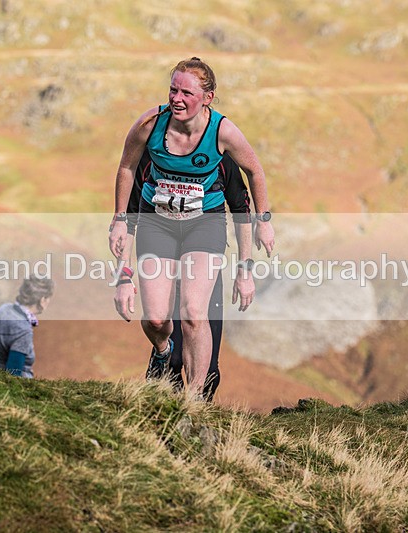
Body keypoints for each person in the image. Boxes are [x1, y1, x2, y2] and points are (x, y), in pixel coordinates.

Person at [109, 57, 274, 396]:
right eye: (173, 90)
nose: (177, 99)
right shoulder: (149, 124)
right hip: (159, 225)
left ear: (207, 98)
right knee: (155, 320)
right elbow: (126, 168)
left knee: (194, 313)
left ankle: (196, 398)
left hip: (205, 226)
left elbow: (255, 172)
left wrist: (264, 221)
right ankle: (162, 352)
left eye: (186, 92)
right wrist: (119, 220)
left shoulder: (223, 132)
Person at [120, 147, 253, 401]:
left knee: (210, 372)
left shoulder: (219, 154)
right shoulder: (152, 153)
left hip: (203, 266)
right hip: (165, 264)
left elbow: (241, 206)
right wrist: (124, 274)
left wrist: (245, 270)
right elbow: (130, 212)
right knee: (172, 361)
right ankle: (158, 418)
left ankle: (195, 418)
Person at [0, 275, 54, 378]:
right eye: (48, 299)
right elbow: (13, 375)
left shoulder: (3, 309)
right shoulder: (23, 330)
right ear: (42, 300)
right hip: (6, 384)